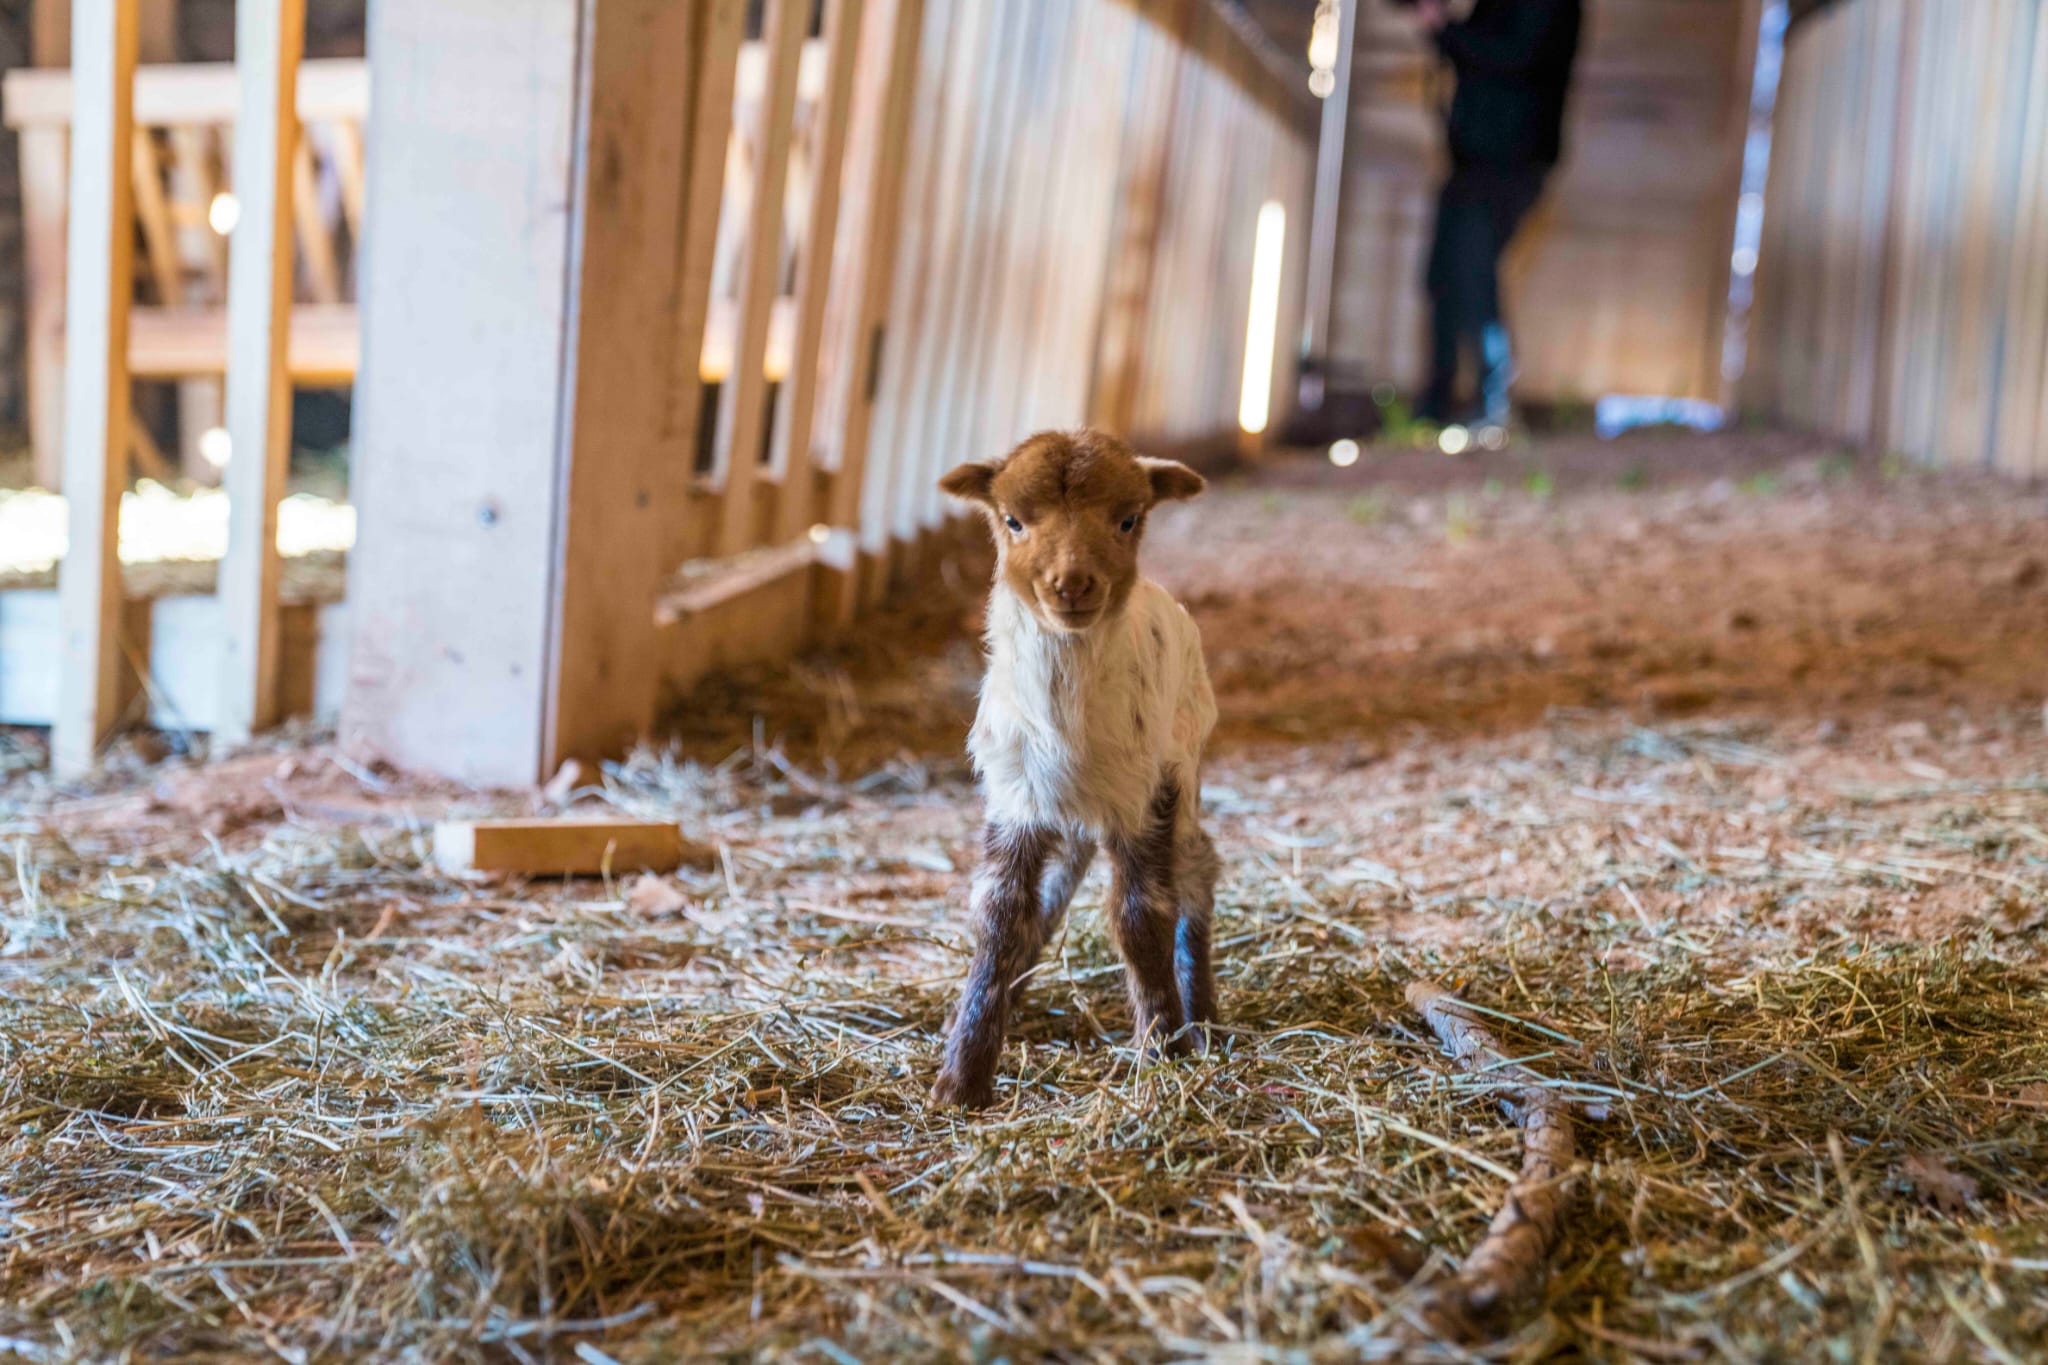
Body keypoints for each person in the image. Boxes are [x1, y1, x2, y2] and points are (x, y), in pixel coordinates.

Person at [1410, 0, 1583, 431]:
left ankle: (1492, 409)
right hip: (1473, 160)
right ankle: (1435, 407)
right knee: (1443, 278)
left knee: (1473, 278)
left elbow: (1513, 56)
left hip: (1508, 161)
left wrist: (1445, 31)